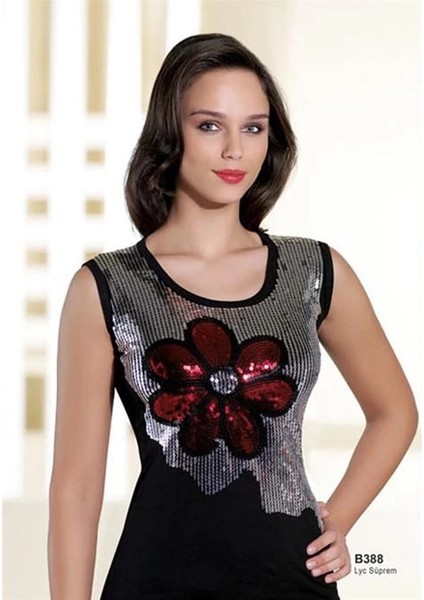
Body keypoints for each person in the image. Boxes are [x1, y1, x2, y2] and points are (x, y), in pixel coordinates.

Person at [47, 33, 418, 600]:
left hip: (291, 583)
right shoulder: (107, 287)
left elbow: (395, 412)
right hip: (155, 584)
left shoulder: (313, 271)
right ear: (169, 134)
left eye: (253, 128)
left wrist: (338, 519)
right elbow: (75, 490)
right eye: (209, 125)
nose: (234, 151)